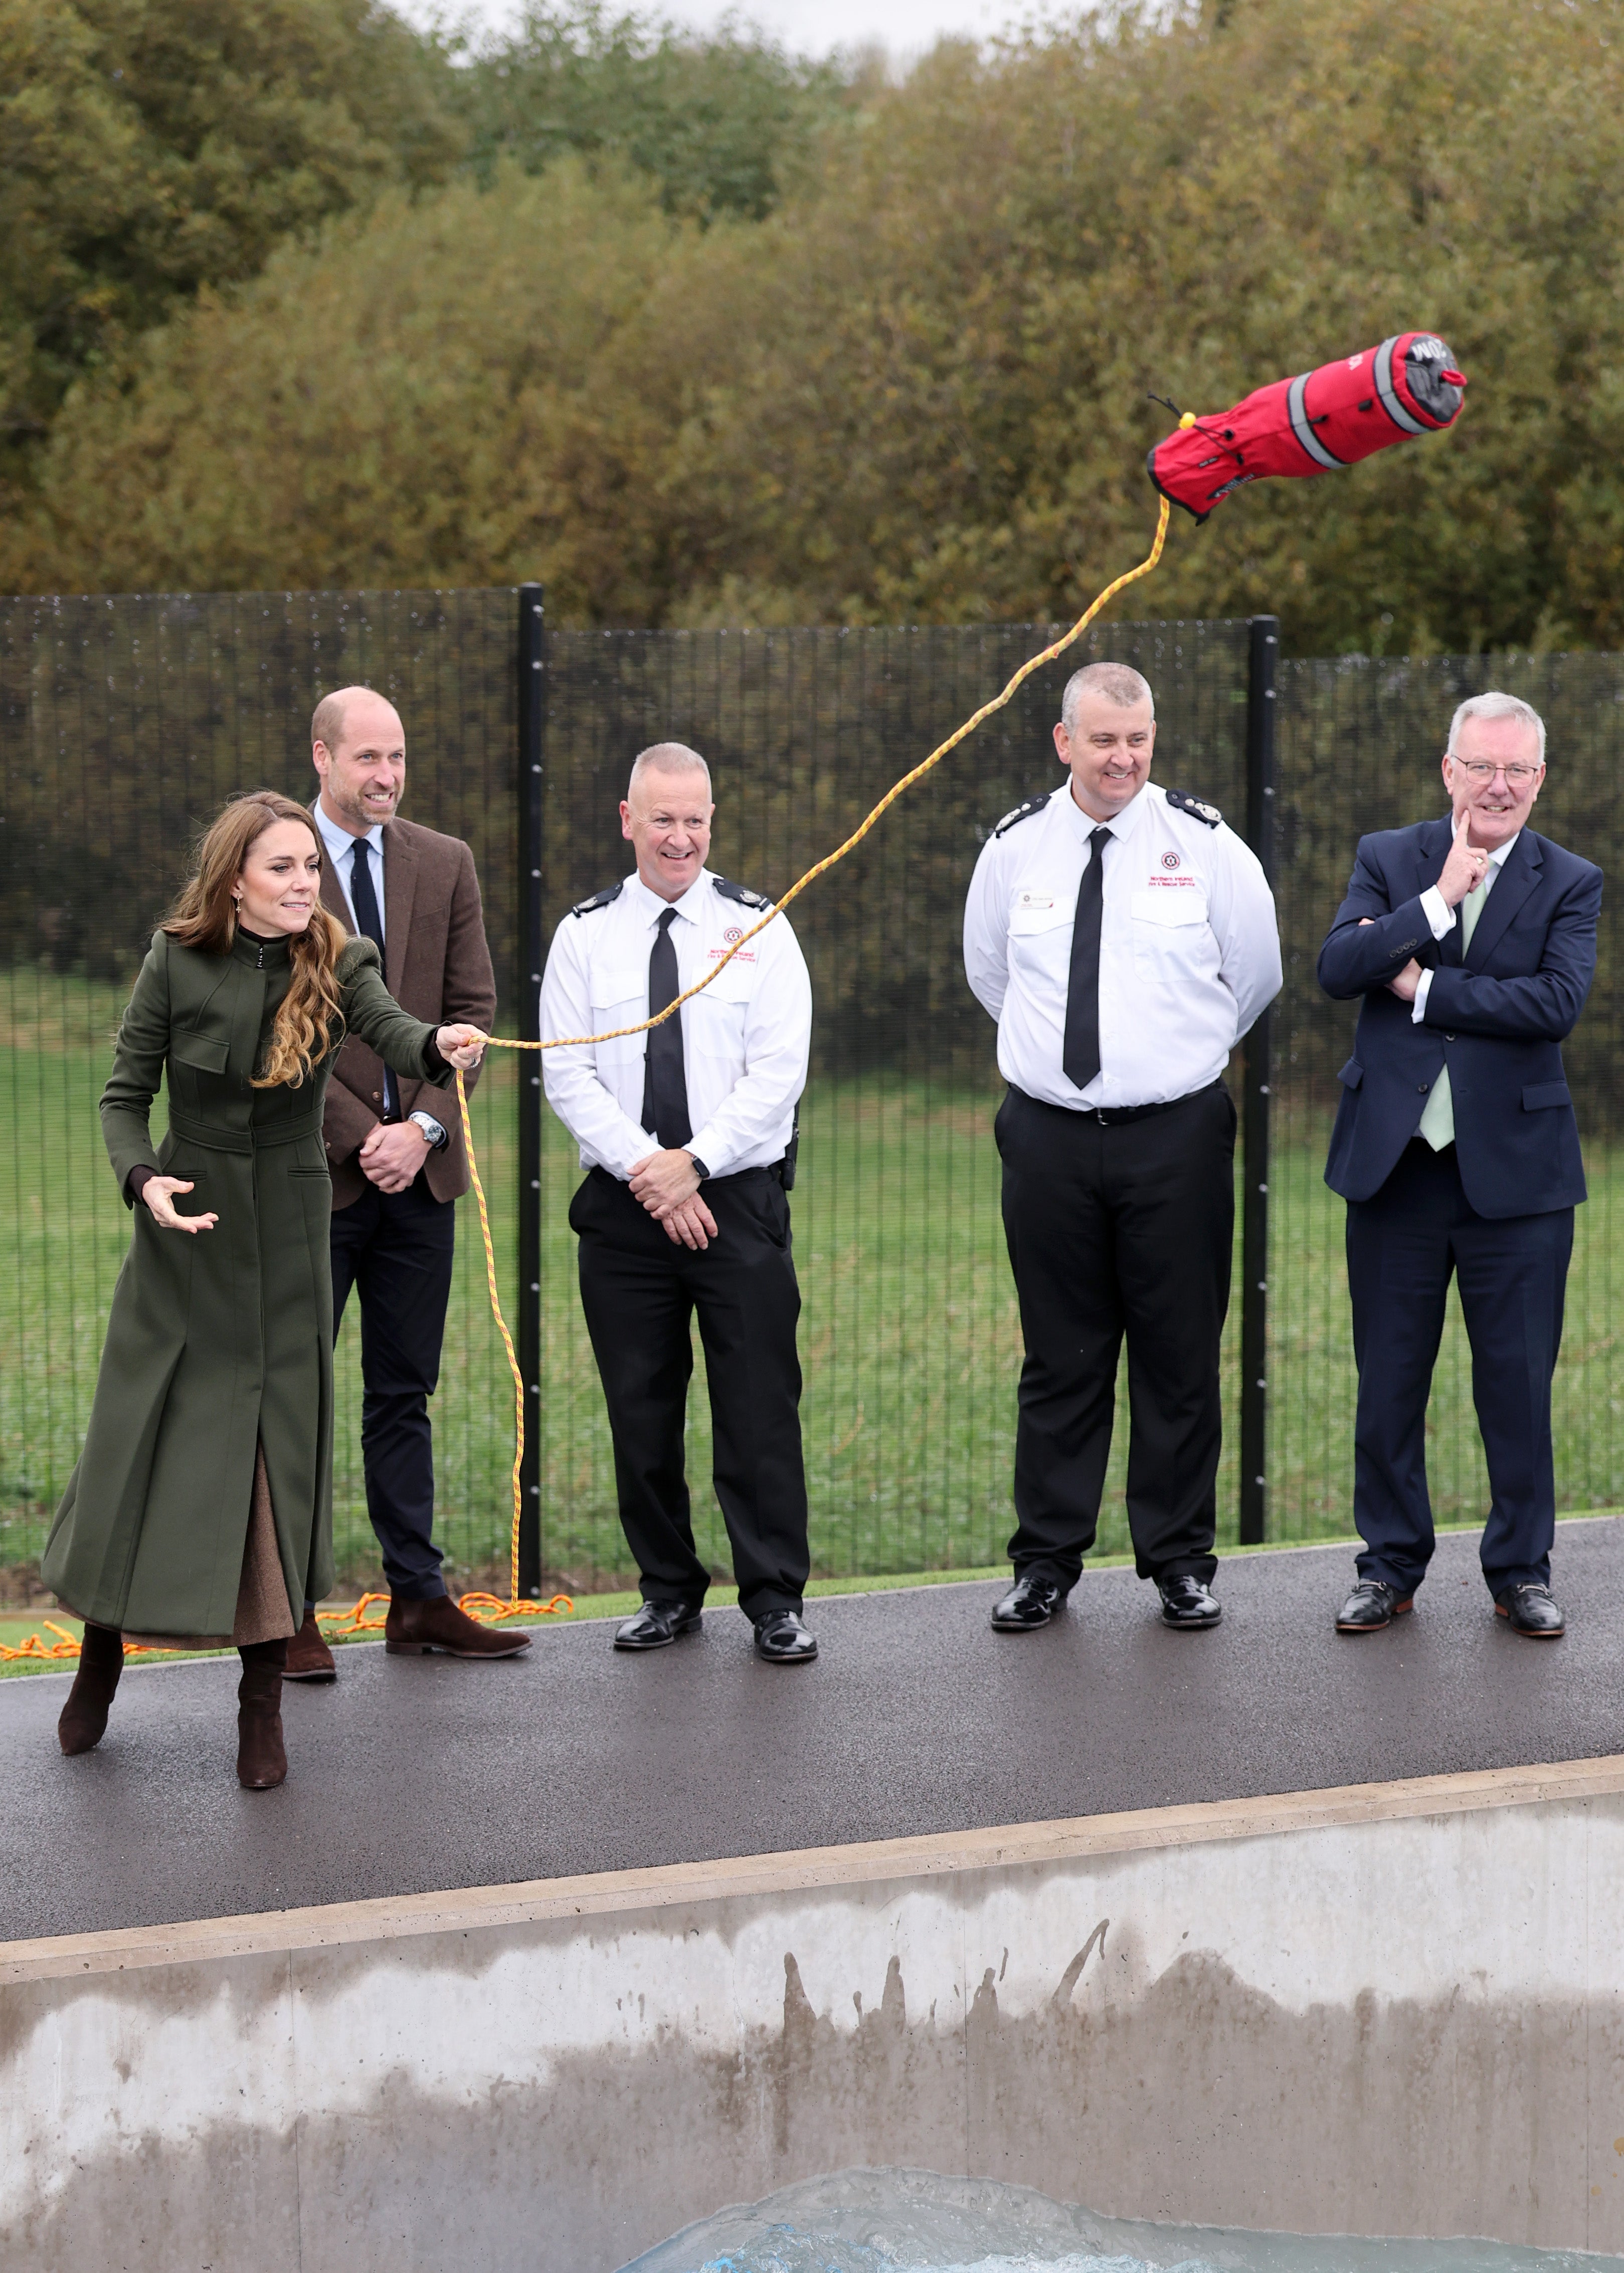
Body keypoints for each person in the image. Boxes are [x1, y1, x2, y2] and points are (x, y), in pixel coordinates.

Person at [41, 792, 486, 1787]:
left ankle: (261, 1704)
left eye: (311, 869)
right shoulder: (175, 958)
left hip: (291, 1235)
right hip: (183, 1234)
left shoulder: (340, 958)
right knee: (141, 1448)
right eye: (282, 868)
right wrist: (141, 1178)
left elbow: (393, 1027)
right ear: (234, 877)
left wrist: (439, 1045)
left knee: (267, 1465)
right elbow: (124, 1095)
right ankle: (98, 1657)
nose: (302, 885)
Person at [963, 661, 1281, 1635]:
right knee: (1061, 1357)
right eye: (1104, 739)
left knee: (1179, 1353)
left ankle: (1179, 1560)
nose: (1124, 757)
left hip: (1176, 1136)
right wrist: (1066, 1080)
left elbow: (1256, 973)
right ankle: (1047, 1562)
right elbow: (990, 972)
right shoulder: (1015, 849)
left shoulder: (1207, 843)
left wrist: (1167, 1059)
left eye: (1138, 738)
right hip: (1049, 1137)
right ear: (1065, 741)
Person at [1318, 691, 1600, 1639]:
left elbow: (1554, 1004)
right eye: (1482, 766)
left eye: (1518, 769)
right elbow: (1336, 967)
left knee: (1515, 1385)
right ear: (1449, 770)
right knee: (1389, 1379)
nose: (1499, 785)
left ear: (1541, 780)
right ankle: (1388, 1565)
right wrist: (1436, 901)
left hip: (1516, 1180)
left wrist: (1425, 984)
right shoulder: (1389, 857)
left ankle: (1521, 1568)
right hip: (1397, 1170)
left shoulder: (1571, 880)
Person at [540, 741, 817, 1665]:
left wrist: (693, 1163)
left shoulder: (759, 927)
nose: (681, 836)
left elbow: (780, 1074)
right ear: (628, 820)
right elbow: (567, 1071)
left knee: (758, 1407)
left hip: (734, 1200)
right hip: (626, 1212)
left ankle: (775, 1599)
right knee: (641, 1409)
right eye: (662, 818)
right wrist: (650, 1171)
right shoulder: (584, 934)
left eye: (695, 818)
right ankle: (667, 1590)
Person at [281, 685, 510, 1679]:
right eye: (367, 757)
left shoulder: (445, 862)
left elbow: (472, 1016)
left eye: (398, 757)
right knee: (295, 1398)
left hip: (421, 1179)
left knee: (402, 1394)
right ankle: (284, 1611)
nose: (386, 775)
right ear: (322, 756)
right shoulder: (276, 862)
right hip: (314, 1181)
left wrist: (419, 1128)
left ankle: (417, 1599)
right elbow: (268, 1030)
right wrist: (359, 1133)